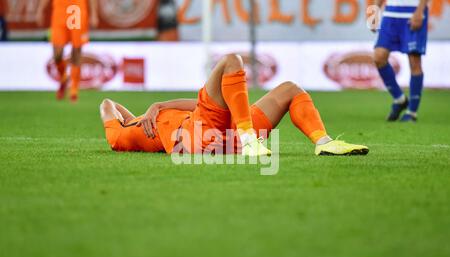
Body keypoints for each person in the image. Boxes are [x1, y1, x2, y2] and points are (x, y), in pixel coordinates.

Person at [100, 54, 369, 157]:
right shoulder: (128, 134)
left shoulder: (151, 117)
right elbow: (107, 104)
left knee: (290, 89)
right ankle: (249, 138)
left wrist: (156, 105)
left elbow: (196, 103)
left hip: (227, 129)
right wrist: (135, 116)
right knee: (231, 61)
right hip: (202, 135)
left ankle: (323, 141)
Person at [372, 0, 429, 122]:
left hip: (413, 12)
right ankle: (400, 99)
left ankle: (412, 112)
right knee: (378, 57)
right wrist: (374, 11)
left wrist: (420, 10)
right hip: (390, 13)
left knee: (414, 61)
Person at [36, 0, 99, 103]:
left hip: (77, 10)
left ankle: (74, 89)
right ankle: (63, 78)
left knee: (76, 49)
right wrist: (40, 10)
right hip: (60, 12)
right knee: (57, 54)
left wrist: (94, 13)